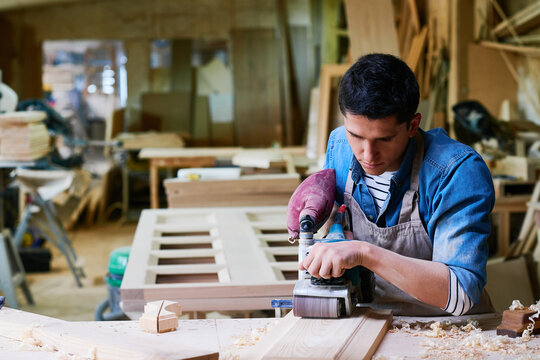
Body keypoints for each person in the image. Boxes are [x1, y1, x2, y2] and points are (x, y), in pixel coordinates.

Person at [299, 53, 494, 316]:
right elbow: (338, 219)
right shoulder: (339, 146)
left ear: (413, 125)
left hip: (449, 331)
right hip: (374, 321)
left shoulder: (456, 172)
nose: (367, 154)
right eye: (355, 135)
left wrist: (363, 253)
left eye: (384, 139)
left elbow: (461, 293)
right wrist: (332, 235)